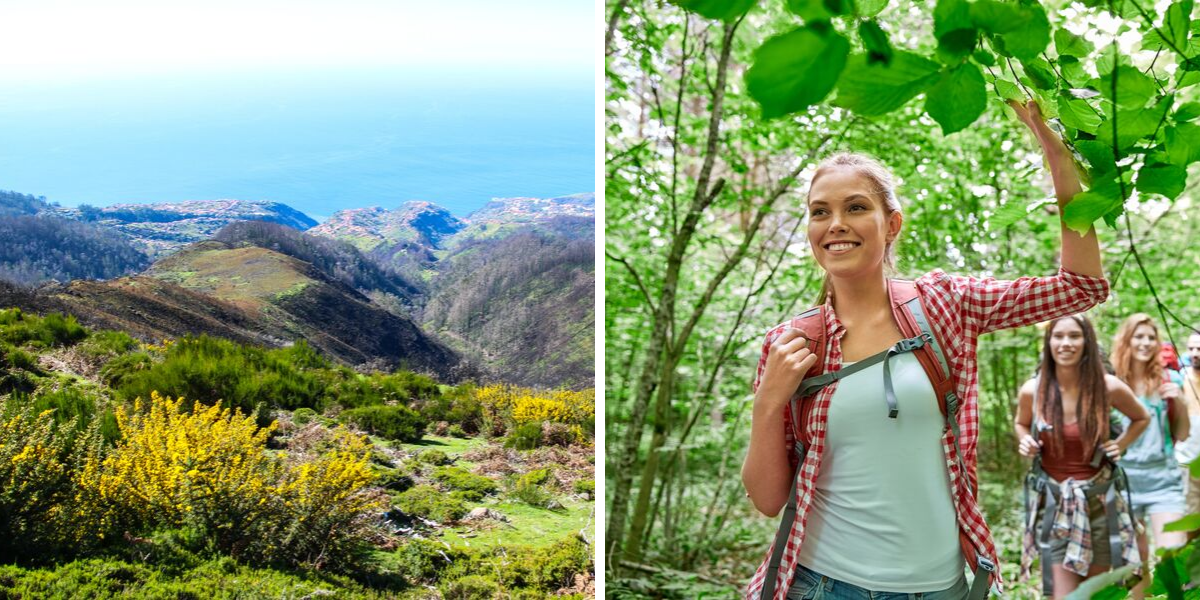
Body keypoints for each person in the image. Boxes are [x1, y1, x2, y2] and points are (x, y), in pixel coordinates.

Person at [742, 99, 1110, 600]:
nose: (836, 224)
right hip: (822, 583)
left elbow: (1080, 288)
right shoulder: (791, 344)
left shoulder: (945, 305)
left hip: (940, 587)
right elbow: (768, 500)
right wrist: (768, 401)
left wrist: (1058, 161)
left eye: (856, 207)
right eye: (819, 212)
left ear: (891, 224)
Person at [1015, 315, 1148, 598]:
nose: (1066, 343)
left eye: (1074, 336)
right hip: (1054, 504)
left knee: (1095, 593)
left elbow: (1141, 417)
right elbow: (1021, 423)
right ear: (1048, 342)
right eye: (1058, 336)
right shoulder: (1033, 390)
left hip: (1100, 504)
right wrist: (1025, 440)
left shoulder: (1107, 386)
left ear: (1087, 342)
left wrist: (1120, 444)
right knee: (1062, 595)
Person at [1110, 313, 1190, 597]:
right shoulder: (1113, 382)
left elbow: (1181, 434)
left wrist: (1178, 400)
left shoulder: (1170, 379)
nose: (1145, 343)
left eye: (1150, 337)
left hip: (1163, 480)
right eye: (1139, 336)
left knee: (1172, 555)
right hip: (1124, 483)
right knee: (1135, 565)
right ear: (1127, 341)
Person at [1176, 332, 1200, 521]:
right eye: (1191, 349)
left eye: (1199, 349)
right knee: (1190, 517)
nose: (1195, 353)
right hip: (1186, 461)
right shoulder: (1180, 380)